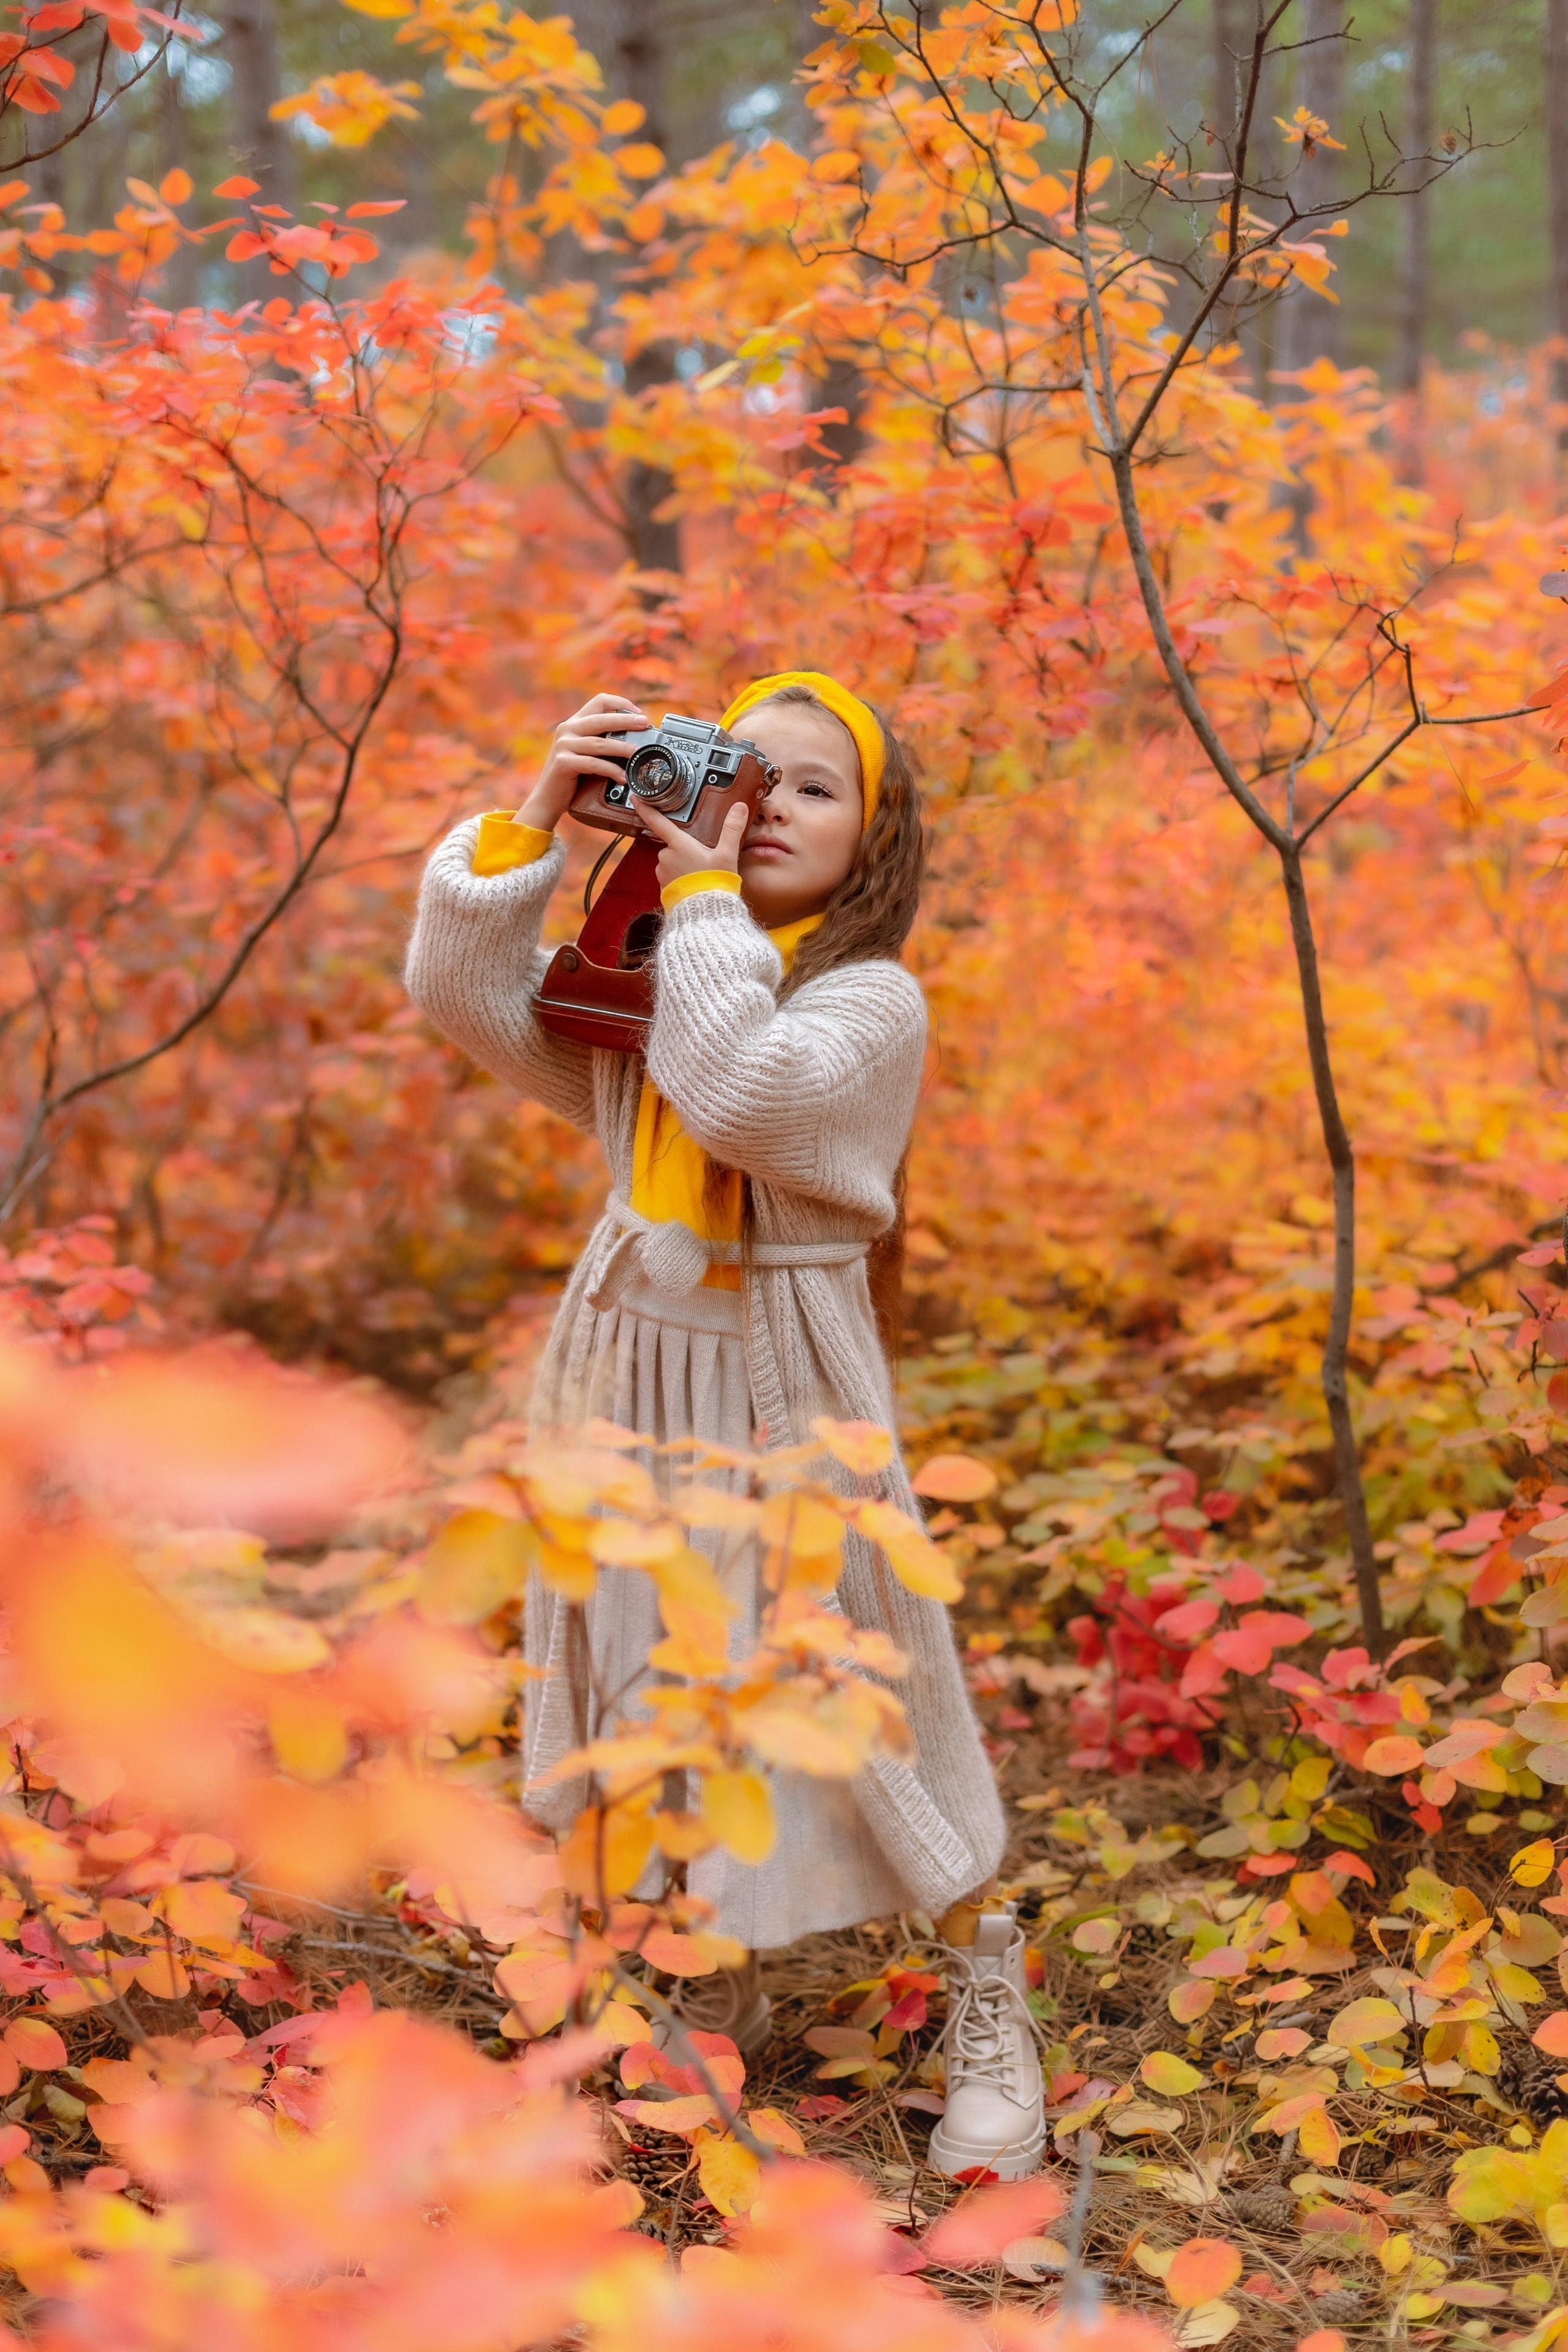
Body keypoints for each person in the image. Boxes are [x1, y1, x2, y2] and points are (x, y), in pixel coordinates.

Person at [404, 671, 1044, 2180]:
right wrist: (533, 820)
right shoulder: (662, 973)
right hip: (627, 1362)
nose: (768, 808)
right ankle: (693, 1982)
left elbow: (744, 1097)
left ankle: (984, 1985)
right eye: (746, 775)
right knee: (641, 1663)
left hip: (790, 1377)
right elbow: (467, 1002)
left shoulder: (863, 1000)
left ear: (873, 841)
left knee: (860, 1672)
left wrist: (693, 899)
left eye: (815, 789)